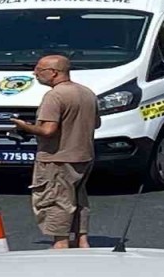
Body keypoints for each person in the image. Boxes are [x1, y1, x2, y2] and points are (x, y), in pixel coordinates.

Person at [10, 55, 100, 249]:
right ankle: (82, 240)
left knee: (55, 200)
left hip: (56, 158)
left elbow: (48, 130)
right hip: (83, 154)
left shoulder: (55, 96)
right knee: (78, 200)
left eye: (39, 70)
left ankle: (61, 244)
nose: (34, 73)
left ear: (54, 72)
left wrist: (25, 127)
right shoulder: (87, 93)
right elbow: (97, 123)